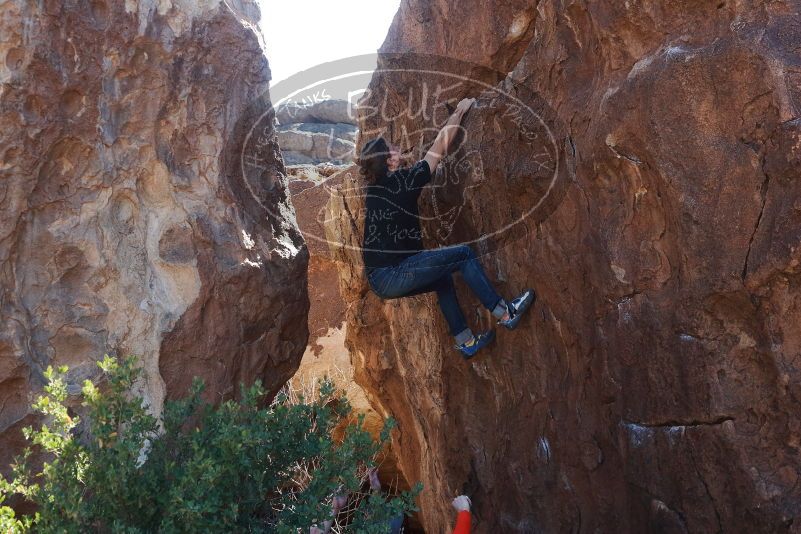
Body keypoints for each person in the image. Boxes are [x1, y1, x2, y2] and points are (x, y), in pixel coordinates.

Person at [359, 97, 535, 359]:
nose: (398, 148)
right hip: (393, 273)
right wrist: (460, 113)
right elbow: (438, 148)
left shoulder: (374, 191)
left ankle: (466, 342)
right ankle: (506, 312)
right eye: (392, 149)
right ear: (389, 161)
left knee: (442, 280)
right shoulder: (404, 183)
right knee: (463, 254)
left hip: (379, 280)